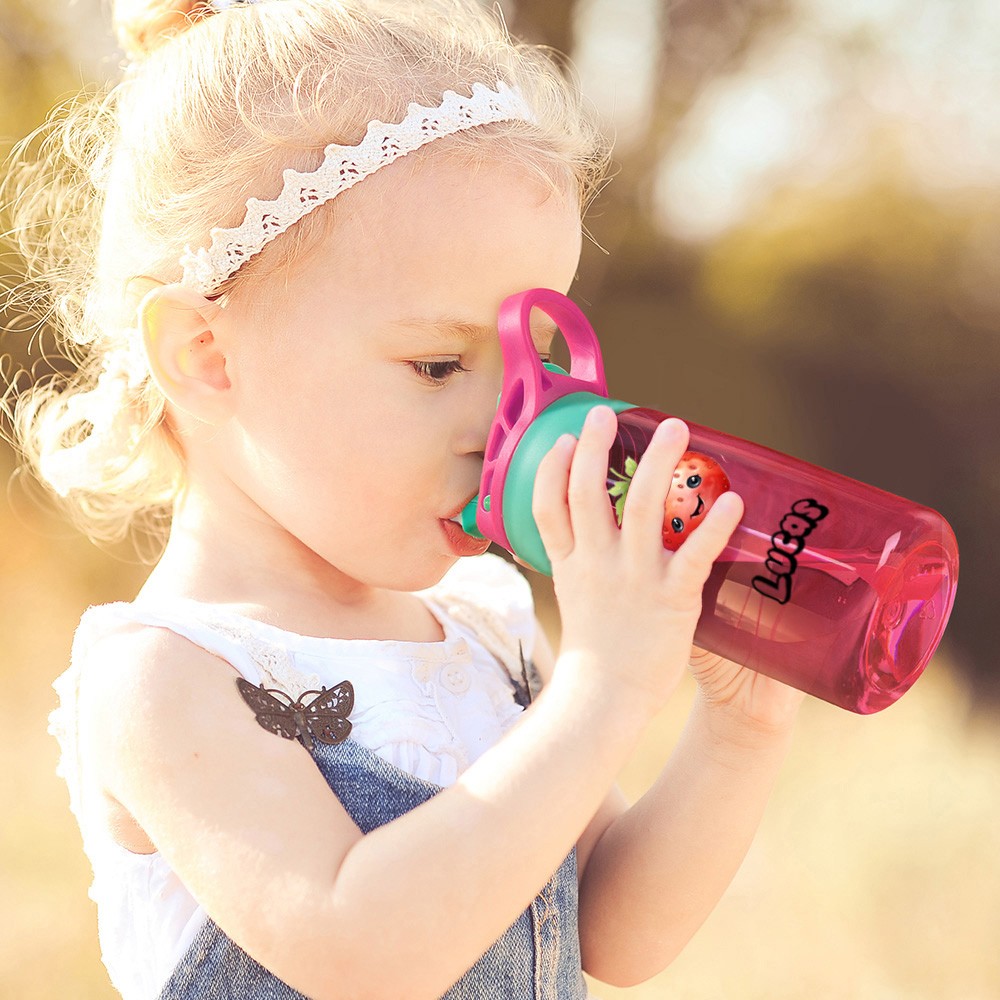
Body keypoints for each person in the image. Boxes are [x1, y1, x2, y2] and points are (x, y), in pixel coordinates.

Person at [3, 1, 804, 996]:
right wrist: (603, 690)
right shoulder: (167, 679)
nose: (504, 422)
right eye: (436, 364)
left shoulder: (485, 635)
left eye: (532, 366)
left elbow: (608, 932)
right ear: (207, 355)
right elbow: (361, 950)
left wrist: (738, 731)